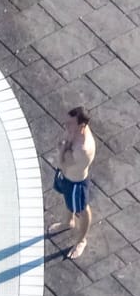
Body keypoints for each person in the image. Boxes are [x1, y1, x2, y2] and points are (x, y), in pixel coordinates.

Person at [51, 107, 96, 259]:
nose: (66, 126)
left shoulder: (82, 149)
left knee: (82, 210)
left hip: (76, 183)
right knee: (68, 201)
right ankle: (68, 222)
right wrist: (64, 146)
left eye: (70, 124)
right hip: (66, 176)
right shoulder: (76, 130)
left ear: (81, 126)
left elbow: (62, 163)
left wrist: (63, 148)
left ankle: (81, 241)